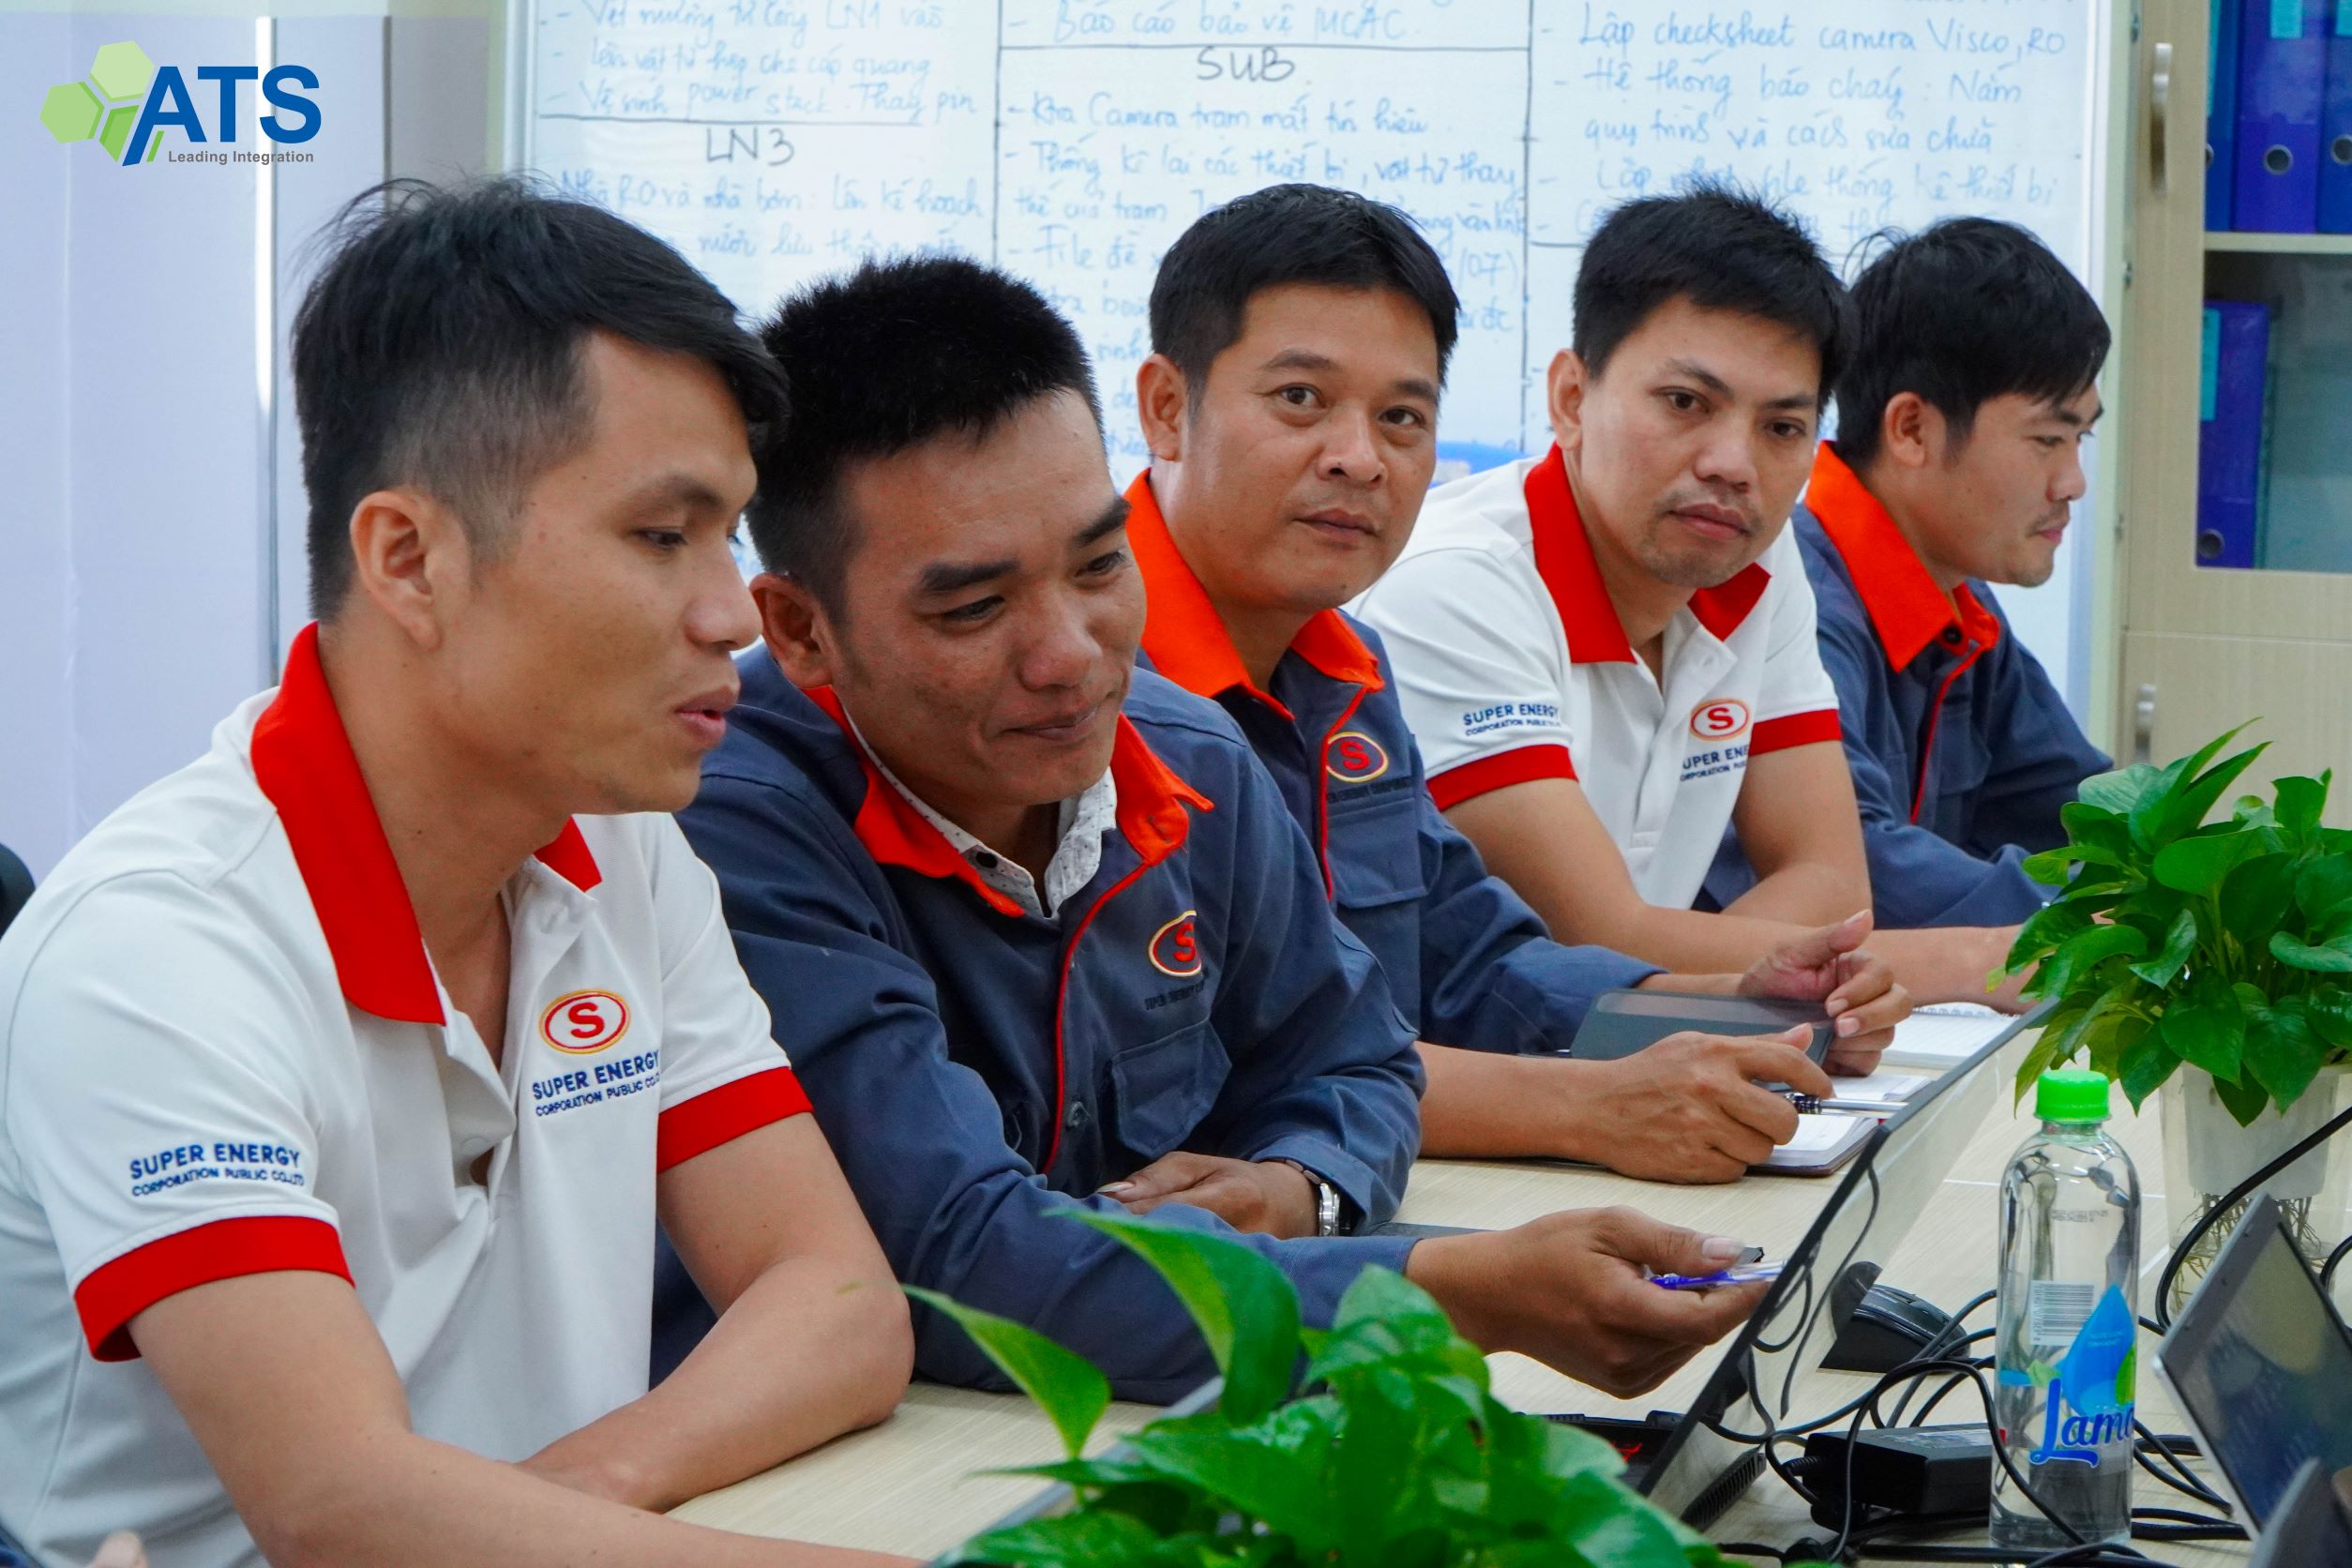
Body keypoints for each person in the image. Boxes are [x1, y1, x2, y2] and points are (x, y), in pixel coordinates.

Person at [0, 180, 913, 1568]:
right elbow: (340, 1509)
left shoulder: (622, 846)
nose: (732, 612)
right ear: (409, 559)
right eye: (662, 536)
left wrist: (571, 1490)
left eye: (730, 532)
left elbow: (838, 1300)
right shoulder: (154, 952)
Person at [674, 252, 1770, 1406]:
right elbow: (961, 1260)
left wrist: (1301, 1185)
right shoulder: (734, 829)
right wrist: (1450, 1294)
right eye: (976, 607)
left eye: (1101, 563)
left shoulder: (1187, 754)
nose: (1071, 655)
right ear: (799, 630)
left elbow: (1356, 1056)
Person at [1120, 183, 1907, 1184]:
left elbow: (1474, 961)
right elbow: (1233, 1073)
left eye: (1402, 417)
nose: (1360, 459)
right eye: (1301, 399)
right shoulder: (1087, 686)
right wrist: (1594, 1107)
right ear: (1166, 408)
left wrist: (1729, 1002)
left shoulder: (1347, 673)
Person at [1353, 186, 2023, 1007]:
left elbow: (1830, 884)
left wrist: (1733, 990)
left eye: (1782, 428)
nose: (1732, 465)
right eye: (1685, 404)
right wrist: (1986, 960)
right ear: (1571, 399)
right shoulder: (1456, 584)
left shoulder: (1755, 560)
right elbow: (1594, 934)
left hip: (1612, 1054)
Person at [1703, 218, 2110, 928]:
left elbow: (2087, 818)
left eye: (2081, 437)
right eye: (2048, 439)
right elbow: (1857, 874)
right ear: (1912, 430)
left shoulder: (1961, 606)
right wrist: (2103, 922)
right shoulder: (1795, 607)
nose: (2072, 482)